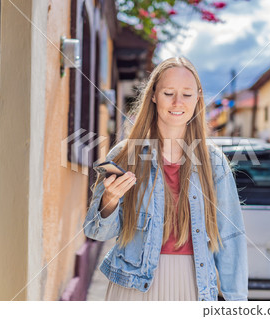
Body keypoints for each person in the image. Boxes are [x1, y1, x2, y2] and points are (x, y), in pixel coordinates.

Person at [83, 57, 247, 301]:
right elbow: (96, 232)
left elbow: (231, 237)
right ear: (153, 95)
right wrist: (110, 199)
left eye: (187, 94)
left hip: (193, 287)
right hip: (132, 290)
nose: (177, 102)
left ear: (199, 97)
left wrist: (236, 304)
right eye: (168, 92)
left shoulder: (214, 162)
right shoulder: (124, 155)